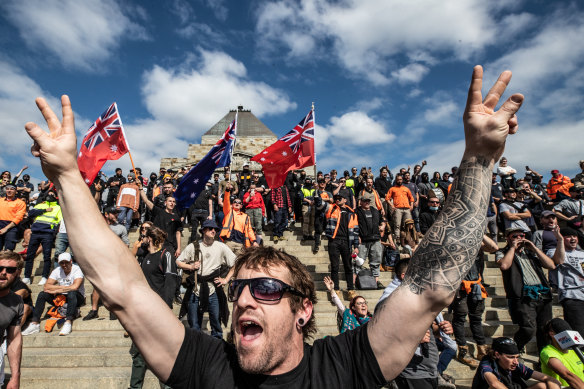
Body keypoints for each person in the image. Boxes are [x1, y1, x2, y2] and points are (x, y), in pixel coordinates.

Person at [24, 65, 524, 387]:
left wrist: (479, 160)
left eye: (263, 288)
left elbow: (430, 288)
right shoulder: (206, 365)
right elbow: (121, 287)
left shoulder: (343, 368)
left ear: (305, 310)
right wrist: (68, 176)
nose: (241, 298)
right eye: (240, 287)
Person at [495, 227, 556, 353]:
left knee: (545, 330)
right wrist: (512, 247)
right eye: (515, 236)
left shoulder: (531, 253)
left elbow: (551, 265)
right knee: (529, 329)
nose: (519, 238)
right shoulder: (503, 252)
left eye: (522, 235)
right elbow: (504, 265)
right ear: (507, 238)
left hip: (542, 294)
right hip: (523, 296)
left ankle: (543, 359)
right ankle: (516, 348)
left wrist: (534, 248)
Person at [176, 219, 236, 339]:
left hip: (213, 289)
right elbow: (178, 261)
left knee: (216, 324)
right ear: (203, 230)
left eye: (215, 229)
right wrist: (191, 266)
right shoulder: (194, 246)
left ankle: (216, 351)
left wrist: (226, 280)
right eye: (210, 228)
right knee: (194, 325)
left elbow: (236, 263)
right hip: (196, 289)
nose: (213, 231)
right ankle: (197, 351)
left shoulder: (221, 247)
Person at [451, 235, 499, 368]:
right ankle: (463, 350)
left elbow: (494, 247)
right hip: (460, 287)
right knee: (460, 318)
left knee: (476, 318)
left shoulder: (476, 245)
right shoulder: (454, 245)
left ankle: (481, 349)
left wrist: (479, 233)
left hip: (476, 286)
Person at [22, 252, 85, 336]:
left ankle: (68, 322)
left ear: (71, 261)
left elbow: (75, 287)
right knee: (42, 294)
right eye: (62, 263)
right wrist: (61, 289)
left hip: (77, 297)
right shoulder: (57, 270)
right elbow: (46, 286)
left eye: (66, 262)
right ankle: (35, 323)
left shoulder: (77, 269)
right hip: (61, 297)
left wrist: (57, 290)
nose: (64, 265)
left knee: (72, 292)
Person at [472, 337, 560, 389]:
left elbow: (549, 379)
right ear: (497, 354)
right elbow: (494, 383)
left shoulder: (516, 364)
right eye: (510, 357)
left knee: (543, 386)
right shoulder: (487, 363)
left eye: (517, 357)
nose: (515, 361)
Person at [548, 227, 584, 336]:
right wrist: (560, 240)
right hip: (571, 296)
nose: (572, 239)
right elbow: (559, 260)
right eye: (568, 236)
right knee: (578, 330)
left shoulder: (582, 253)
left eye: (574, 236)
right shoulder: (552, 251)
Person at [23, 188, 62, 285]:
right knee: (30, 256)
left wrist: (52, 233)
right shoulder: (40, 205)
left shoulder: (58, 208)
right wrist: (45, 210)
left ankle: (44, 277)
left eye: (52, 194)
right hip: (35, 233)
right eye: (49, 193)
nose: (50, 195)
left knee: (47, 257)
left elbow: (59, 221)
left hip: (47, 234)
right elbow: (30, 214)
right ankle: (27, 277)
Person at [325, 194, 360, 299]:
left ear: (345, 199)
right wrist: (318, 190)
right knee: (335, 266)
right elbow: (319, 204)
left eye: (339, 198)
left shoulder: (352, 213)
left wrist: (356, 246)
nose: (337, 200)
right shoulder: (331, 208)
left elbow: (356, 230)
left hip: (346, 242)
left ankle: (350, 289)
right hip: (334, 241)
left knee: (348, 267)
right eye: (335, 199)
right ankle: (336, 290)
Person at [0, 251, 23, 389]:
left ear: (17, 273)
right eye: (0, 268)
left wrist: (15, 376)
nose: (3, 273)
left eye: (10, 270)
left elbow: (14, 339)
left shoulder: (16, 302)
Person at [540, 318, 584, 389]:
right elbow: (566, 374)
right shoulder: (548, 352)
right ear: (552, 334)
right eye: (565, 334)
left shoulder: (575, 350)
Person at [355, 197, 385, 289]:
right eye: (365, 201)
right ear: (361, 202)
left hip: (375, 239)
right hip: (363, 240)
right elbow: (353, 225)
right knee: (358, 262)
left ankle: (376, 282)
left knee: (376, 262)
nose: (367, 203)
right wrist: (357, 236)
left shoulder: (375, 210)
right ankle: (354, 282)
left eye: (368, 201)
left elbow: (382, 220)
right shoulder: (356, 211)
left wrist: (383, 225)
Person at [386, 174, 414, 243]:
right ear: (396, 180)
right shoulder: (392, 189)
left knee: (408, 224)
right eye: (398, 179)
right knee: (397, 224)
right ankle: (397, 238)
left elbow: (411, 198)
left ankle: (407, 237)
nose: (399, 181)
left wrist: (412, 205)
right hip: (398, 208)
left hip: (407, 208)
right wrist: (392, 205)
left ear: (402, 180)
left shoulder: (406, 188)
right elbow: (387, 198)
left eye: (400, 179)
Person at [0, 185, 27, 251]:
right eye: (7, 189)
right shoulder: (1, 200)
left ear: (16, 191)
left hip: (12, 227)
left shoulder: (20, 203)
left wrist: (6, 228)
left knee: (9, 250)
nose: (9, 191)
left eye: (12, 189)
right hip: (0, 223)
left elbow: (18, 218)